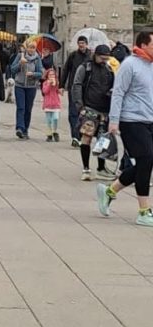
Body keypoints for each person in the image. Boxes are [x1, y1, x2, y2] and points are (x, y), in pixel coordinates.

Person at [97, 29, 153, 225]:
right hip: (131, 120)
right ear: (144, 45)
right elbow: (118, 92)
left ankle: (110, 191)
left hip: (150, 120)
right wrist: (114, 120)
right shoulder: (129, 65)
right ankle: (144, 211)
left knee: (146, 163)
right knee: (146, 158)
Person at [72, 45, 114, 181]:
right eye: (102, 58)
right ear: (96, 55)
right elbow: (77, 85)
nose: (104, 61)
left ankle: (101, 168)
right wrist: (79, 105)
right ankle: (86, 168)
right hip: (89, 108)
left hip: (104, 110)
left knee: (103, 140)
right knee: (86, 138)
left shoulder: (108, 69)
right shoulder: (85, 68)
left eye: (106, 58)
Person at [60, 35, 91, 147]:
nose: (81, 45)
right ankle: (75, 136)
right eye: (80, 43)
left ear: (86, 44)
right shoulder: (73, 56)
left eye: (83, 43)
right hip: (74, 88)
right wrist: (61, 85)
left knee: (84, 114)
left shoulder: (91, 56)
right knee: (73, 113)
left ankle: (81, 135)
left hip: (87, 90)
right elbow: (66, 70)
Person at [11, 40, 43, 139]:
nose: (31, 49)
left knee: (28, 109)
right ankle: (19, 128)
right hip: (19, 85)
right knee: (21, 107)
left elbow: (40, 73)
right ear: (26, 48)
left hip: (31, 86)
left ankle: (25, 130)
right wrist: (20, 63)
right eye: (30, 47)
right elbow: (12, 69)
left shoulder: (37, 59)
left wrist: (33, 74)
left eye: (33, 47)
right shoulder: (20, 56)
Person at [42, 67, 62, 142]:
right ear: (47, 76)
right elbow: (45, 91)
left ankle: (55, 131)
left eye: (53, 75)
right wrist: (49, 84)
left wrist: (59, 89)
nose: (51, 76)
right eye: (50, 75)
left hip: (55, 104)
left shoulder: (56, 82)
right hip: (48, 104)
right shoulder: (45, 83)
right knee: (49, 120)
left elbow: (58, 90)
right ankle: (49, 134)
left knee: (55, 118)